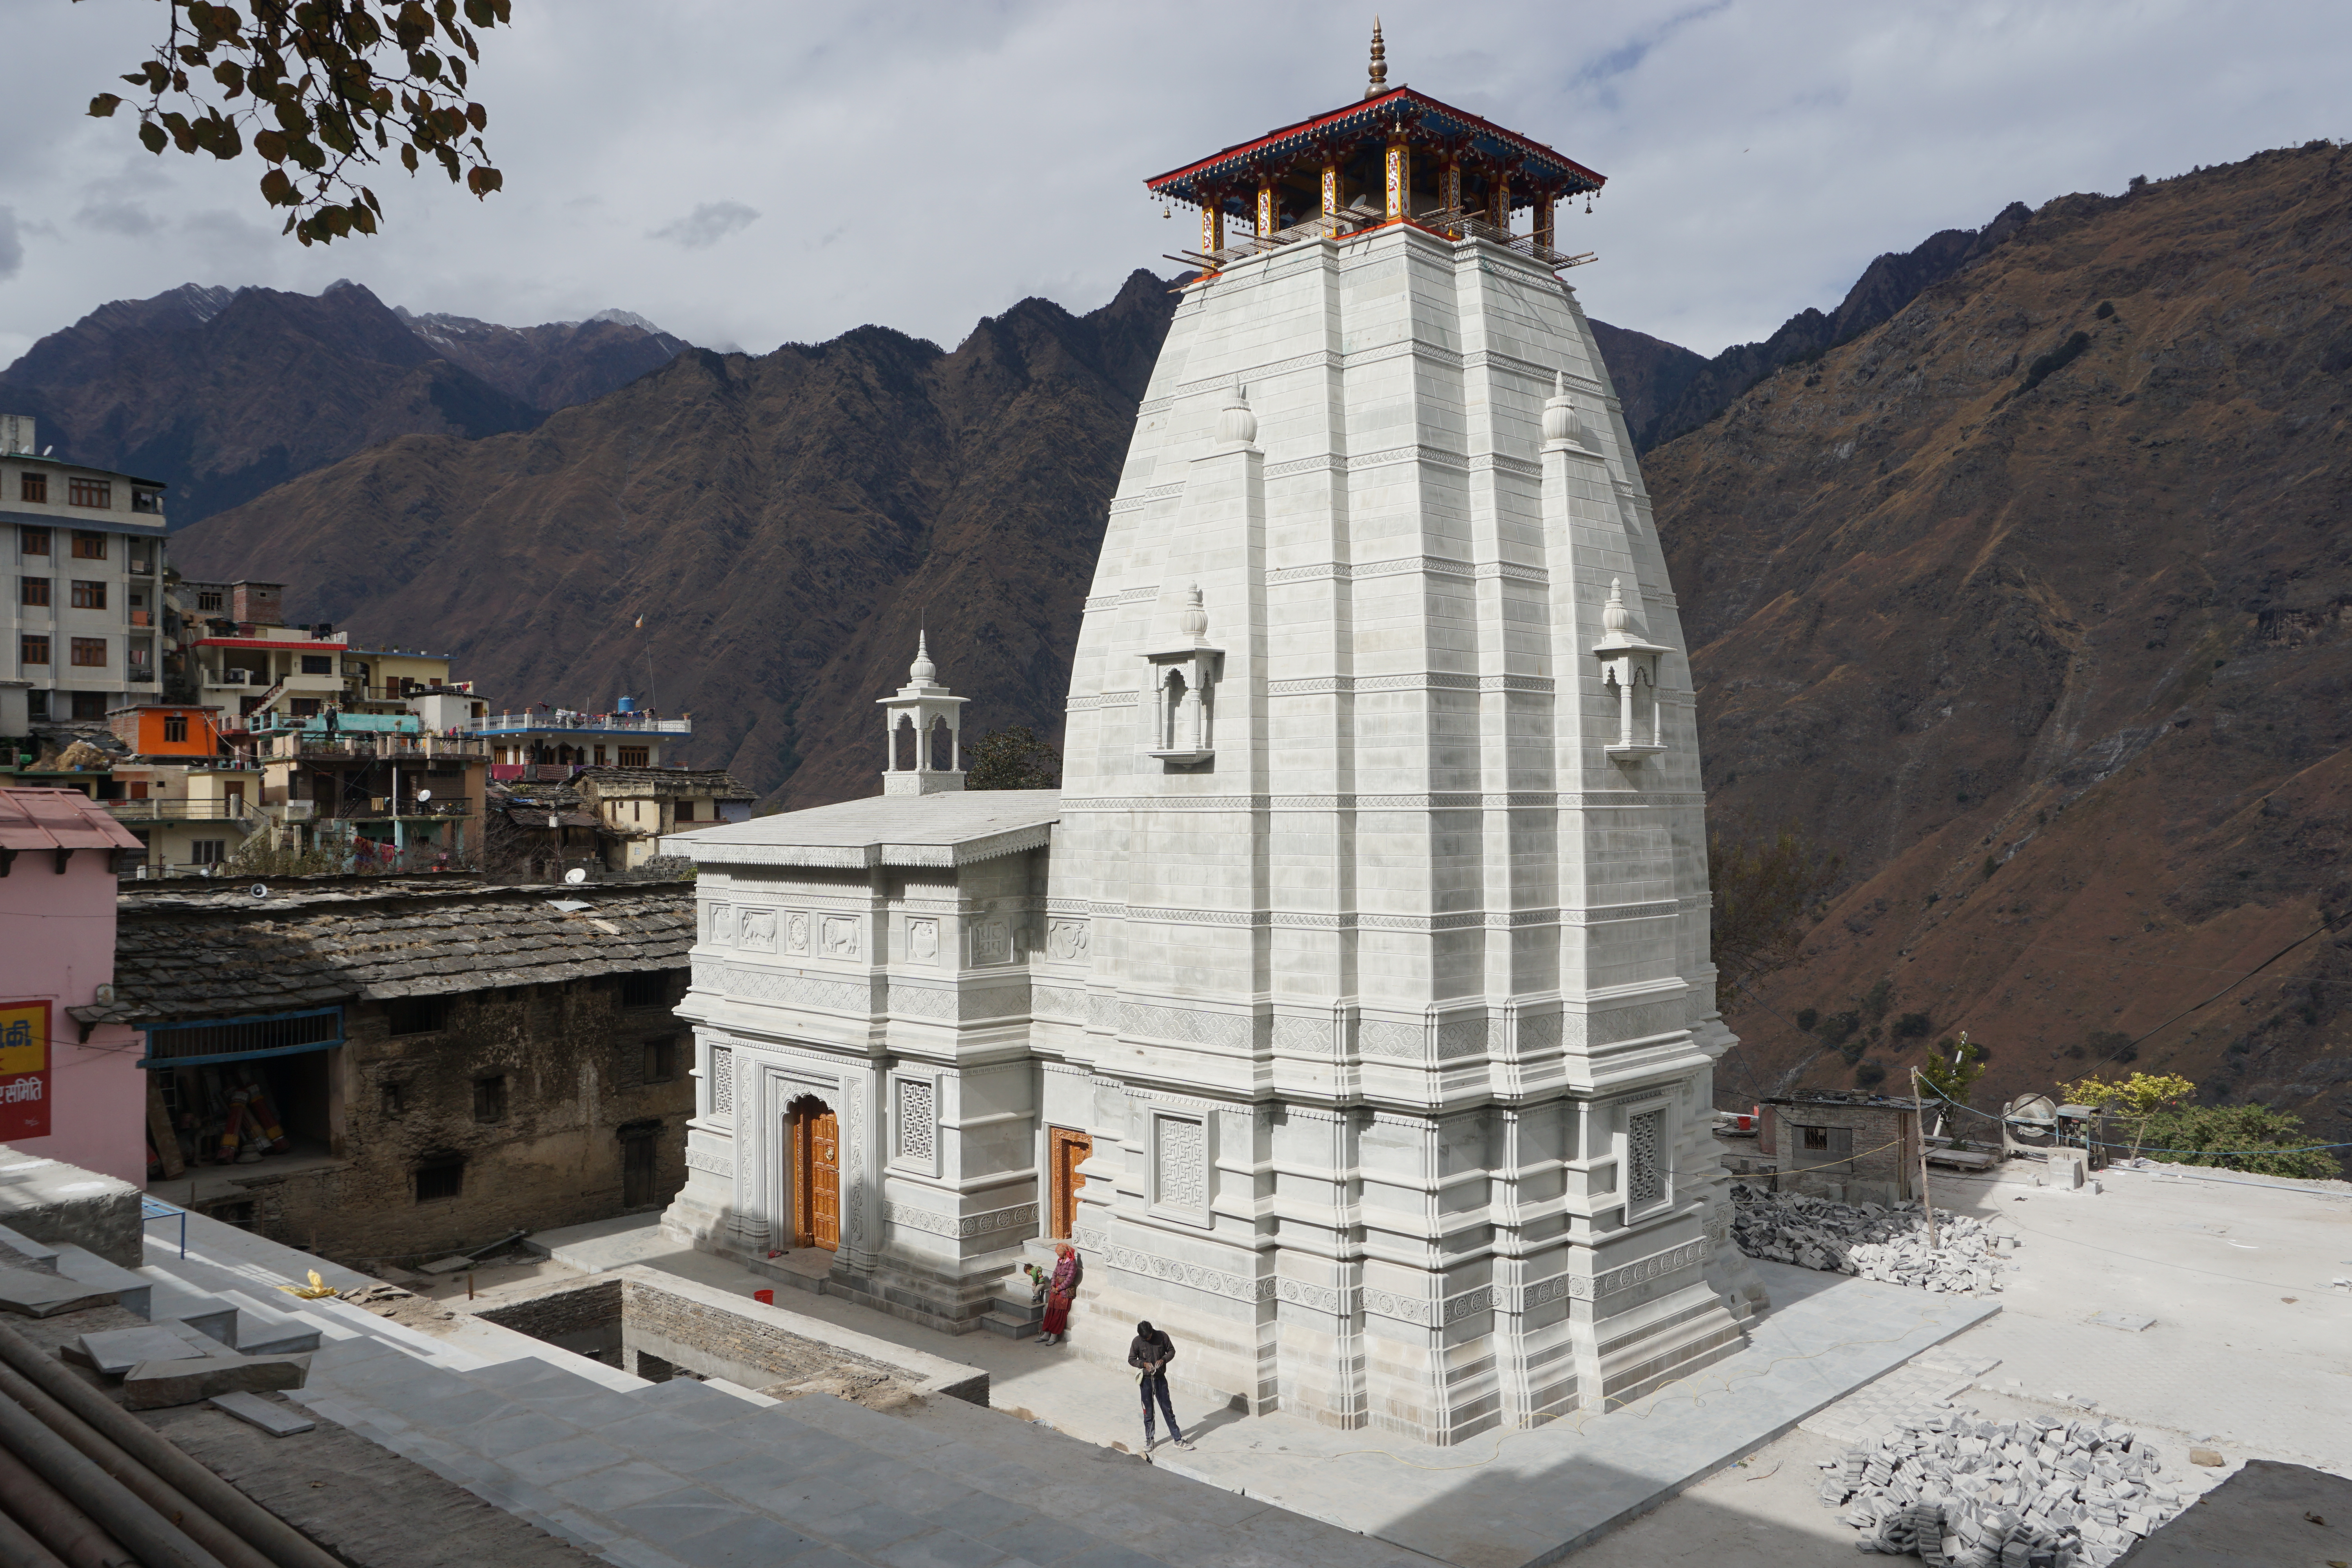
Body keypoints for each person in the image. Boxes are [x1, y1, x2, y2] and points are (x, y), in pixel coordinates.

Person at [1127, 1320, 1191, 1452]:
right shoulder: (1137, 1342)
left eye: (1149, 1336)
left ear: (1152, 1331)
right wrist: (1144, 1365)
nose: (1148, 1339)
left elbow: (1172, 1351)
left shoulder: (1162, 1336)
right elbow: (1131, 1359)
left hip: (1160, 1380)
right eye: (1145, 1338)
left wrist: (1164, 1360)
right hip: (1146, 1382)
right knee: (1148, 1413)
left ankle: (1178, 1440)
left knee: (1168, 1410)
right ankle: (1150, 1440)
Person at [1035, 1242, 1080, 1345]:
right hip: (1056, 1288)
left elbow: (1070, 1279)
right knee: (1051, 1310)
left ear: (1063, 1253)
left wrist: (1059, 1288)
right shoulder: (1060, 1261)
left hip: (1064, 1291)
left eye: (1058, 1253)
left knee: (1059, 1313)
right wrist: (1053, 1286)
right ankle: (1046, 1333)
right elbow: (1055, 1273)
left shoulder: (1072, 1263)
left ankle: (1054, 1335)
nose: (1057, 1255)